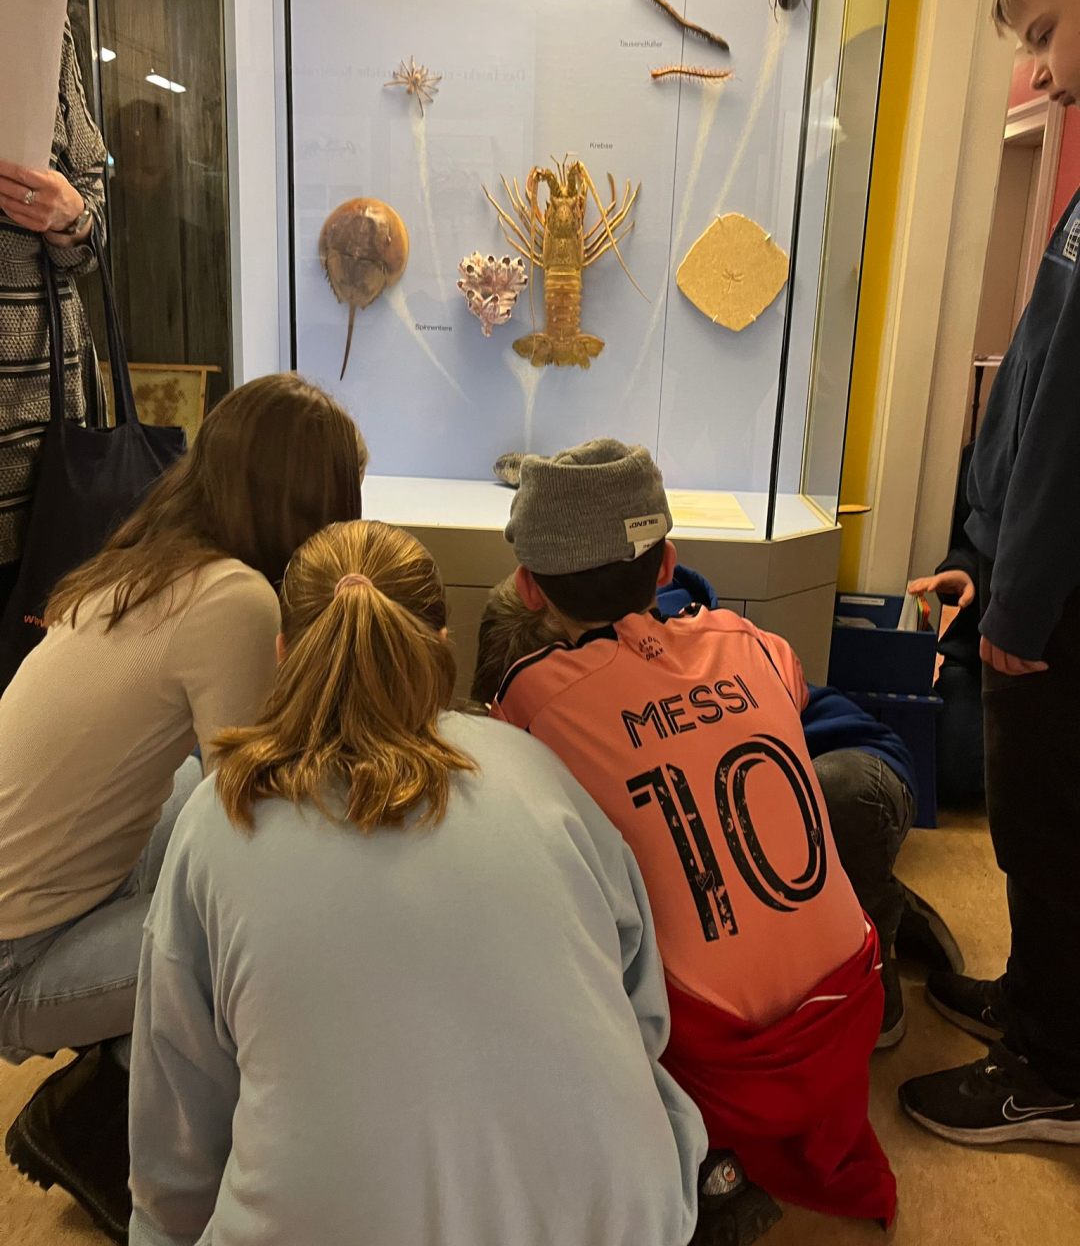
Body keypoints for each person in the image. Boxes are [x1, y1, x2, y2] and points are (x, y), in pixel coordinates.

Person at [127, 518, 707, 1246]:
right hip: (631, 1218)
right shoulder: (534, 768)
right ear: (441, 643)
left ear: (282, 653)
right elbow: (639, 1010)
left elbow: (178, 1134)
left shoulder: (221, 813)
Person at [490, 440, 896, 1225]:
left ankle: (703, 1170)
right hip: (852, 1009)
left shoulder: (533, 702)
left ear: (527, 587)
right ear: (668, 565)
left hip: (726, 1066)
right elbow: (783, 697)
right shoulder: (752, 642)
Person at [0, 373, 367, 1241]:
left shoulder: (148, 562)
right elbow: (260, 812)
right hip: (17, 960)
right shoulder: (234, 598)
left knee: (181, 798)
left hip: (43, 895)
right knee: (263, 937)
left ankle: (122, 1071)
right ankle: (98, 1121)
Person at [474, 567, 962, 1052]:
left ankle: (875, 910)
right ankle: (855, 889)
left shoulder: (661, 650)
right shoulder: (602, 649)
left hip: (853, 765)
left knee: (827, 806)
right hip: (758, 801)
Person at [900, 0, 1080, 1147]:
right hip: (1027, 579)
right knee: (1026, 822)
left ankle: (1057, 1071)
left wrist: (1023, 597)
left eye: (1048, 29)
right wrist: (981, 550)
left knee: (1055, 827)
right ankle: (1036, 1002)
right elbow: (1034, 388)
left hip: (1059, 611)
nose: (1041, 67)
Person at [0, 0, 109, 615]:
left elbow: (95, 198)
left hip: (40, 420)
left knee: (34, 642)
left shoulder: (33, 14)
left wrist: (70, 212)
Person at [907, 441, 985, 808]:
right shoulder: (986, 453)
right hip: (979, 656)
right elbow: (970, 544)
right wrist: (963, 573)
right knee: (956, 776)